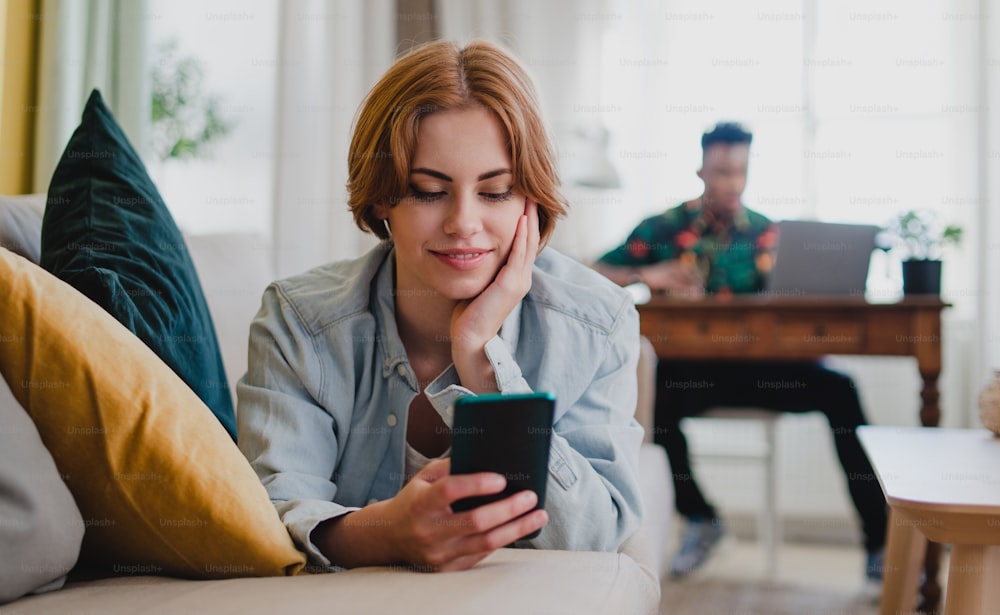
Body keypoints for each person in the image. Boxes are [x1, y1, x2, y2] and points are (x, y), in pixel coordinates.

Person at [236, 39, 644, 573]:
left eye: (496, 191)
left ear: (531, 201)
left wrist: (482, 358)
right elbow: (269, 518)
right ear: (383, 198)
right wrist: (385, 534)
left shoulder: (597, 322)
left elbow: (597, 533)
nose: (463, 223)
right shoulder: (300, 323)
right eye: (429, 191)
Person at [593, 122, 887, 582]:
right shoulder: (662, 229)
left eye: (740, 171)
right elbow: (587, 273)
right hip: (692, 372)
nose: (731, 182)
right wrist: (645, 275)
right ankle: (700, 518)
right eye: (722, 171)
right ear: (701, 169)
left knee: (841, 390)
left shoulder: (771, 235)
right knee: (652, 398)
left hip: (767, 372)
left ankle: (882, 544)